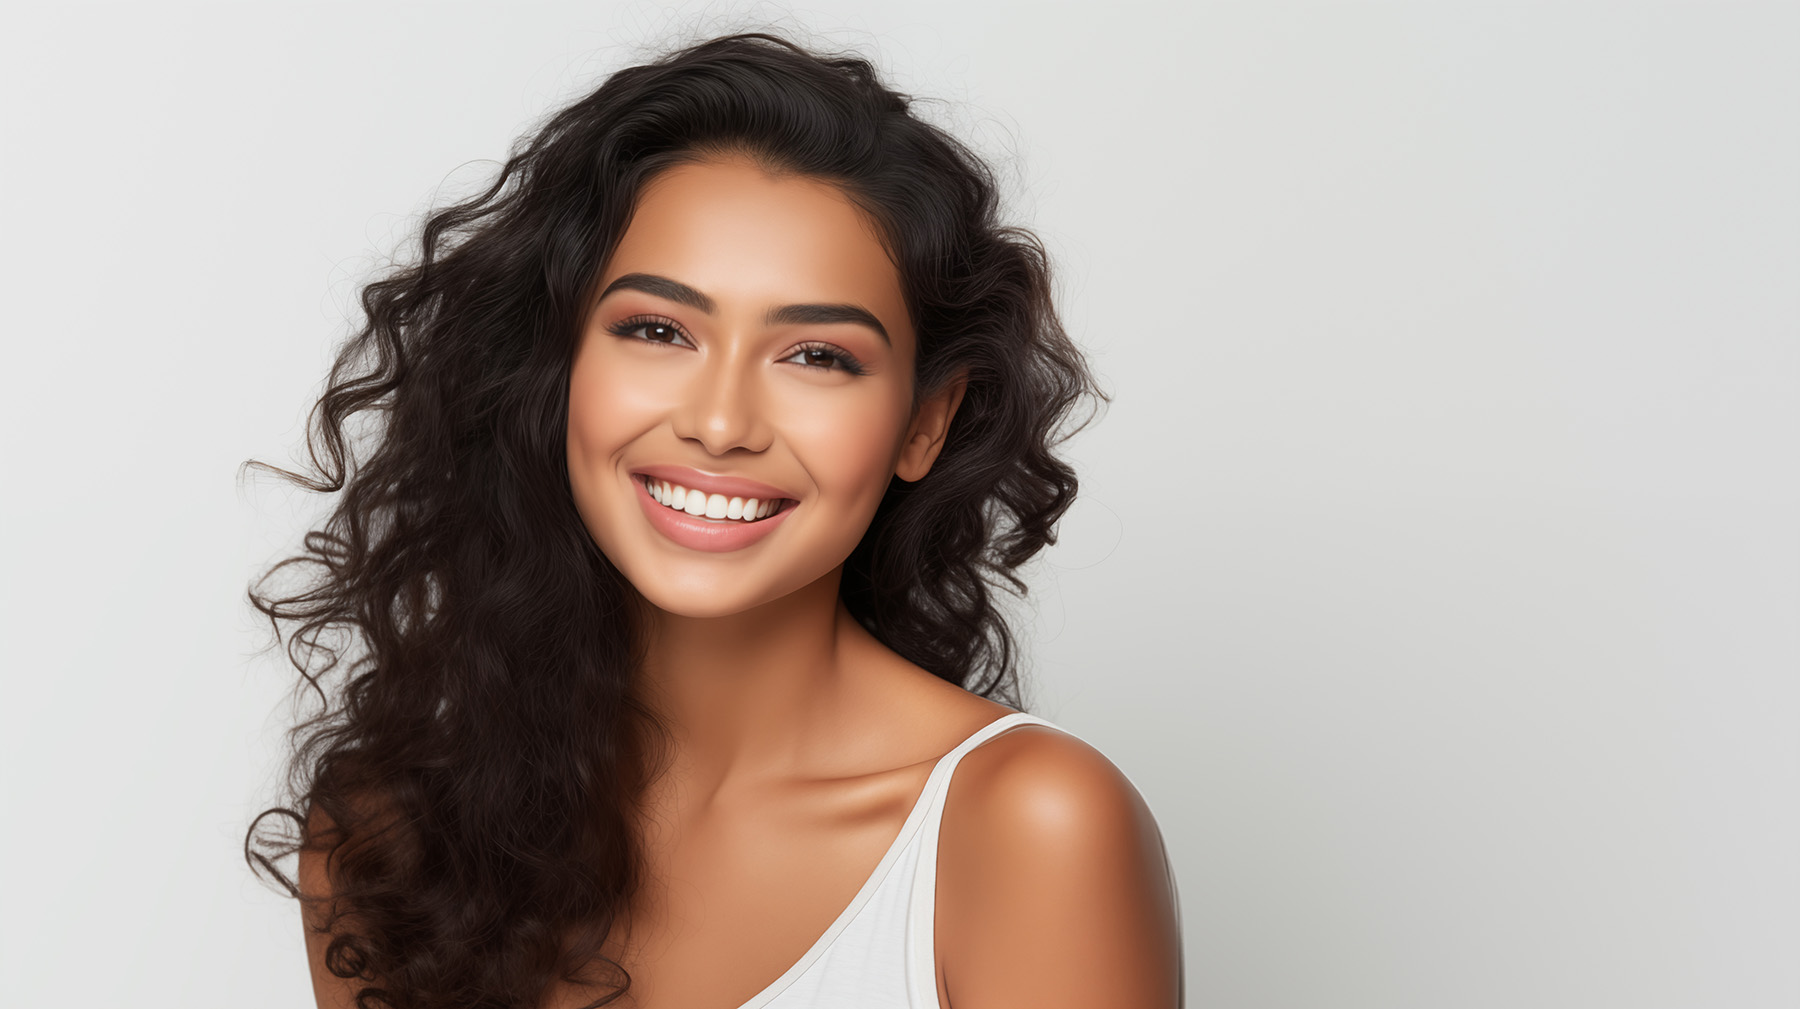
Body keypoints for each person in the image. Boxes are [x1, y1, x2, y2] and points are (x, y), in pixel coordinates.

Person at [246, 31, 1183, 1009]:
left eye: (818, 355)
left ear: (923, 423)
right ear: (556, 371)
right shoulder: (387, 835)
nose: (720, 423)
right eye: (657, 330)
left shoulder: (1029, 828)